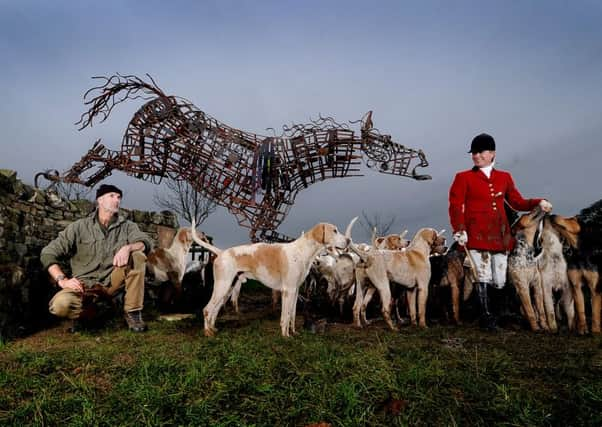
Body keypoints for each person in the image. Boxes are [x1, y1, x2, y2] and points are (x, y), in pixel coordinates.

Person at [448, 133, 552, 331]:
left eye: (480, 152)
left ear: (492, 153)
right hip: (475, 234)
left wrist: (538, 202)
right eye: (473, 153)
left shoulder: (504, 177)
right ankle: (487, 319)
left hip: (500, 234)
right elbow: (455, 205)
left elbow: (517, 202)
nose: (476, 156)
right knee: (482, 275)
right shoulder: (463, 177)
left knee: (500, 278)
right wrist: (459, 229)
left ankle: (498, 314)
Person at [41, 184, 153, 332]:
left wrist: (128, 248)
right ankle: (86, 314)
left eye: (119, 197)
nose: (117, 200)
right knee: (59, 306)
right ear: (99, 200)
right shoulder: (79, 227)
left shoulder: (127, 226)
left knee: (138, 255)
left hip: (111, 283)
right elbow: (48, 253)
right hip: (83, 286)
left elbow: (146, 243)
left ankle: (133, 312)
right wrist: (62, 280)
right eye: (112, 196)